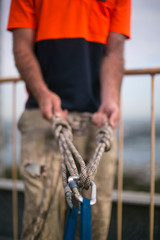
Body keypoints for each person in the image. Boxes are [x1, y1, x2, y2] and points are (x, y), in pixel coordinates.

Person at [7, 0, 131, 239]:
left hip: (97, 118)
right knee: (41, 223)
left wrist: (110, 99)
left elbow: (114, 52)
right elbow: (22, 46)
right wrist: (43, 94)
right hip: (43, 115)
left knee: (96, 222)